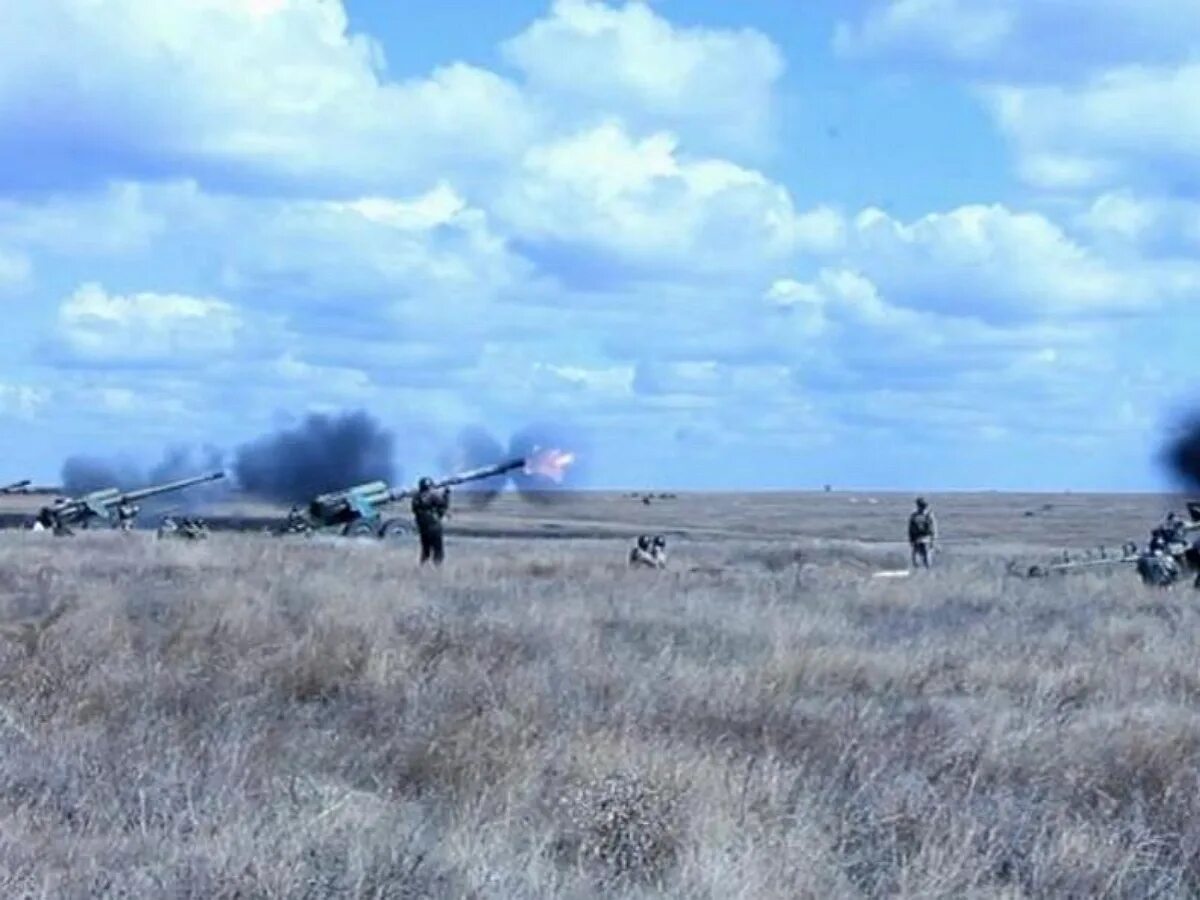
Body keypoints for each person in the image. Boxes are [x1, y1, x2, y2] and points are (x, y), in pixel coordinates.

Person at [411, 476, 450, 565]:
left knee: (425, 549)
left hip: (422, 527)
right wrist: (446, 494)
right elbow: (443, 505)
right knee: (438, 549)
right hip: (434, 525)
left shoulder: (416, 497)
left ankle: (423, 566)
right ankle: (437, 567)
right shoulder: (433, 495)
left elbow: (414, 510)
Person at [908, 497, 937, 569]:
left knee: (926, 553)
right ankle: (917, 568)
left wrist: (933, 539)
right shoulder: (914, 515)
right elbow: (911, 528)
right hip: (917, 537)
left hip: (926, 537)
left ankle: (928, 568)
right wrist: (911, 539)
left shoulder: (928, 515)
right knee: (915, 555)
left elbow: (932, 527)